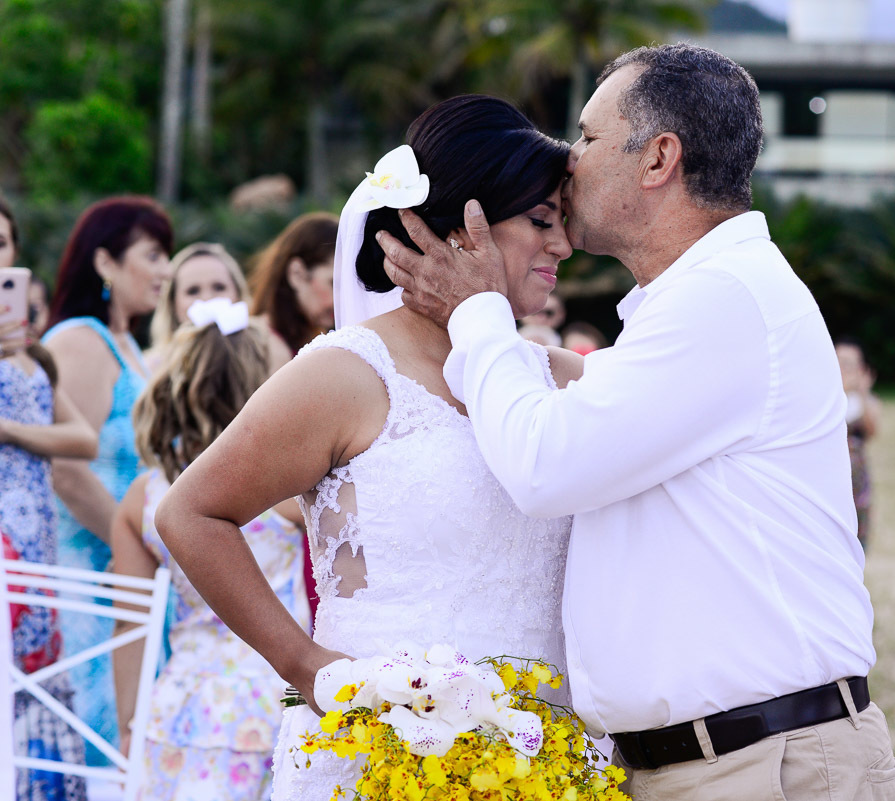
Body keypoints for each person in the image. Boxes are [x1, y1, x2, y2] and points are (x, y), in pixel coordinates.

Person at [381, 44, 895, 801]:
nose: (568, 160)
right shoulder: (704, 300)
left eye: (588, 137)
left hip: (759, 763)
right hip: (723, 759)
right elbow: (599, 400)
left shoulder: (722, 299)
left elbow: (544, 465)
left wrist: (477, 313)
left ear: (659, 158)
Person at [153, 95, 580, 800]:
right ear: (455, 228)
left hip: (544, 760)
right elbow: (190, 512)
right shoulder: (347, 374)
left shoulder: (564, 379)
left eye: (563, 222)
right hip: (376, 753)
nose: (562, 245)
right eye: (540, 221)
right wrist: (305, 664)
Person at [111, 301, 308, 801]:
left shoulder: (145, 497)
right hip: (274, 696)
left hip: (179, 706)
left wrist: (128, 725)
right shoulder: (288, 491)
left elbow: (130, 624)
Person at [42, 195, 174, 758]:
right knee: (92, 741)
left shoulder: (131, 347)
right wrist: (130, 552)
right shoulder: (79, 340)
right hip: (88, 577)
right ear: (104, 264)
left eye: (167, 255)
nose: (165, 270)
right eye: (152, 254)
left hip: (129, 570)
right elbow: (67, 471)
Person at [1, 200, 99, 801]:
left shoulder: (30, 353)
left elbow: (81, 439)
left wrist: (9, 431)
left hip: (34, 536)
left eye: (3, 244)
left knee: (35, 680)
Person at [248, 212, 338, 356]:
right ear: (296, 274)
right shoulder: (265, 345)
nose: (343, 298)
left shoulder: (312, 342)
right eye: (334, 284)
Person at [836, 338, 882, 552]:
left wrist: (862, 392)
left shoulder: (866, 401)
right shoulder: (825, 397)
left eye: (848, 364)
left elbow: (872, 431)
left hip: (856, 473)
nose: (843, 368)